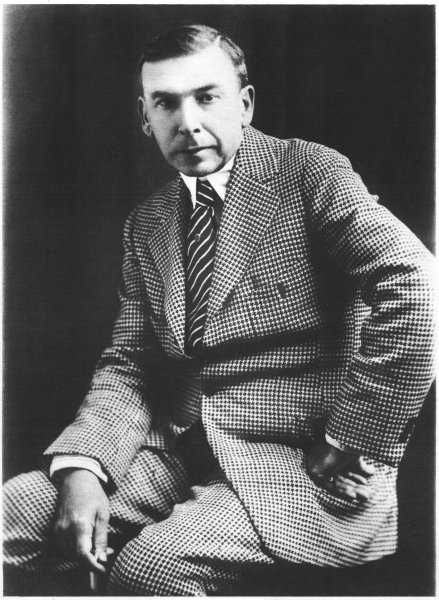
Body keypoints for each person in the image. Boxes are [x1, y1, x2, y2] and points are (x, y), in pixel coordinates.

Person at [4, 24, 435, 596]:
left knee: (147, 567)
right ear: (145, 117)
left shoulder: (311, 173)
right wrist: (82, 467)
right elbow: (131, 363)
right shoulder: (148, 222)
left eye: (207, 97)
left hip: (303, 464)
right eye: (166, 103)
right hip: (179, 449)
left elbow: (416, 283)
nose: (188, 122)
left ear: (245, 104)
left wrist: (352, 435)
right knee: (10, 515)